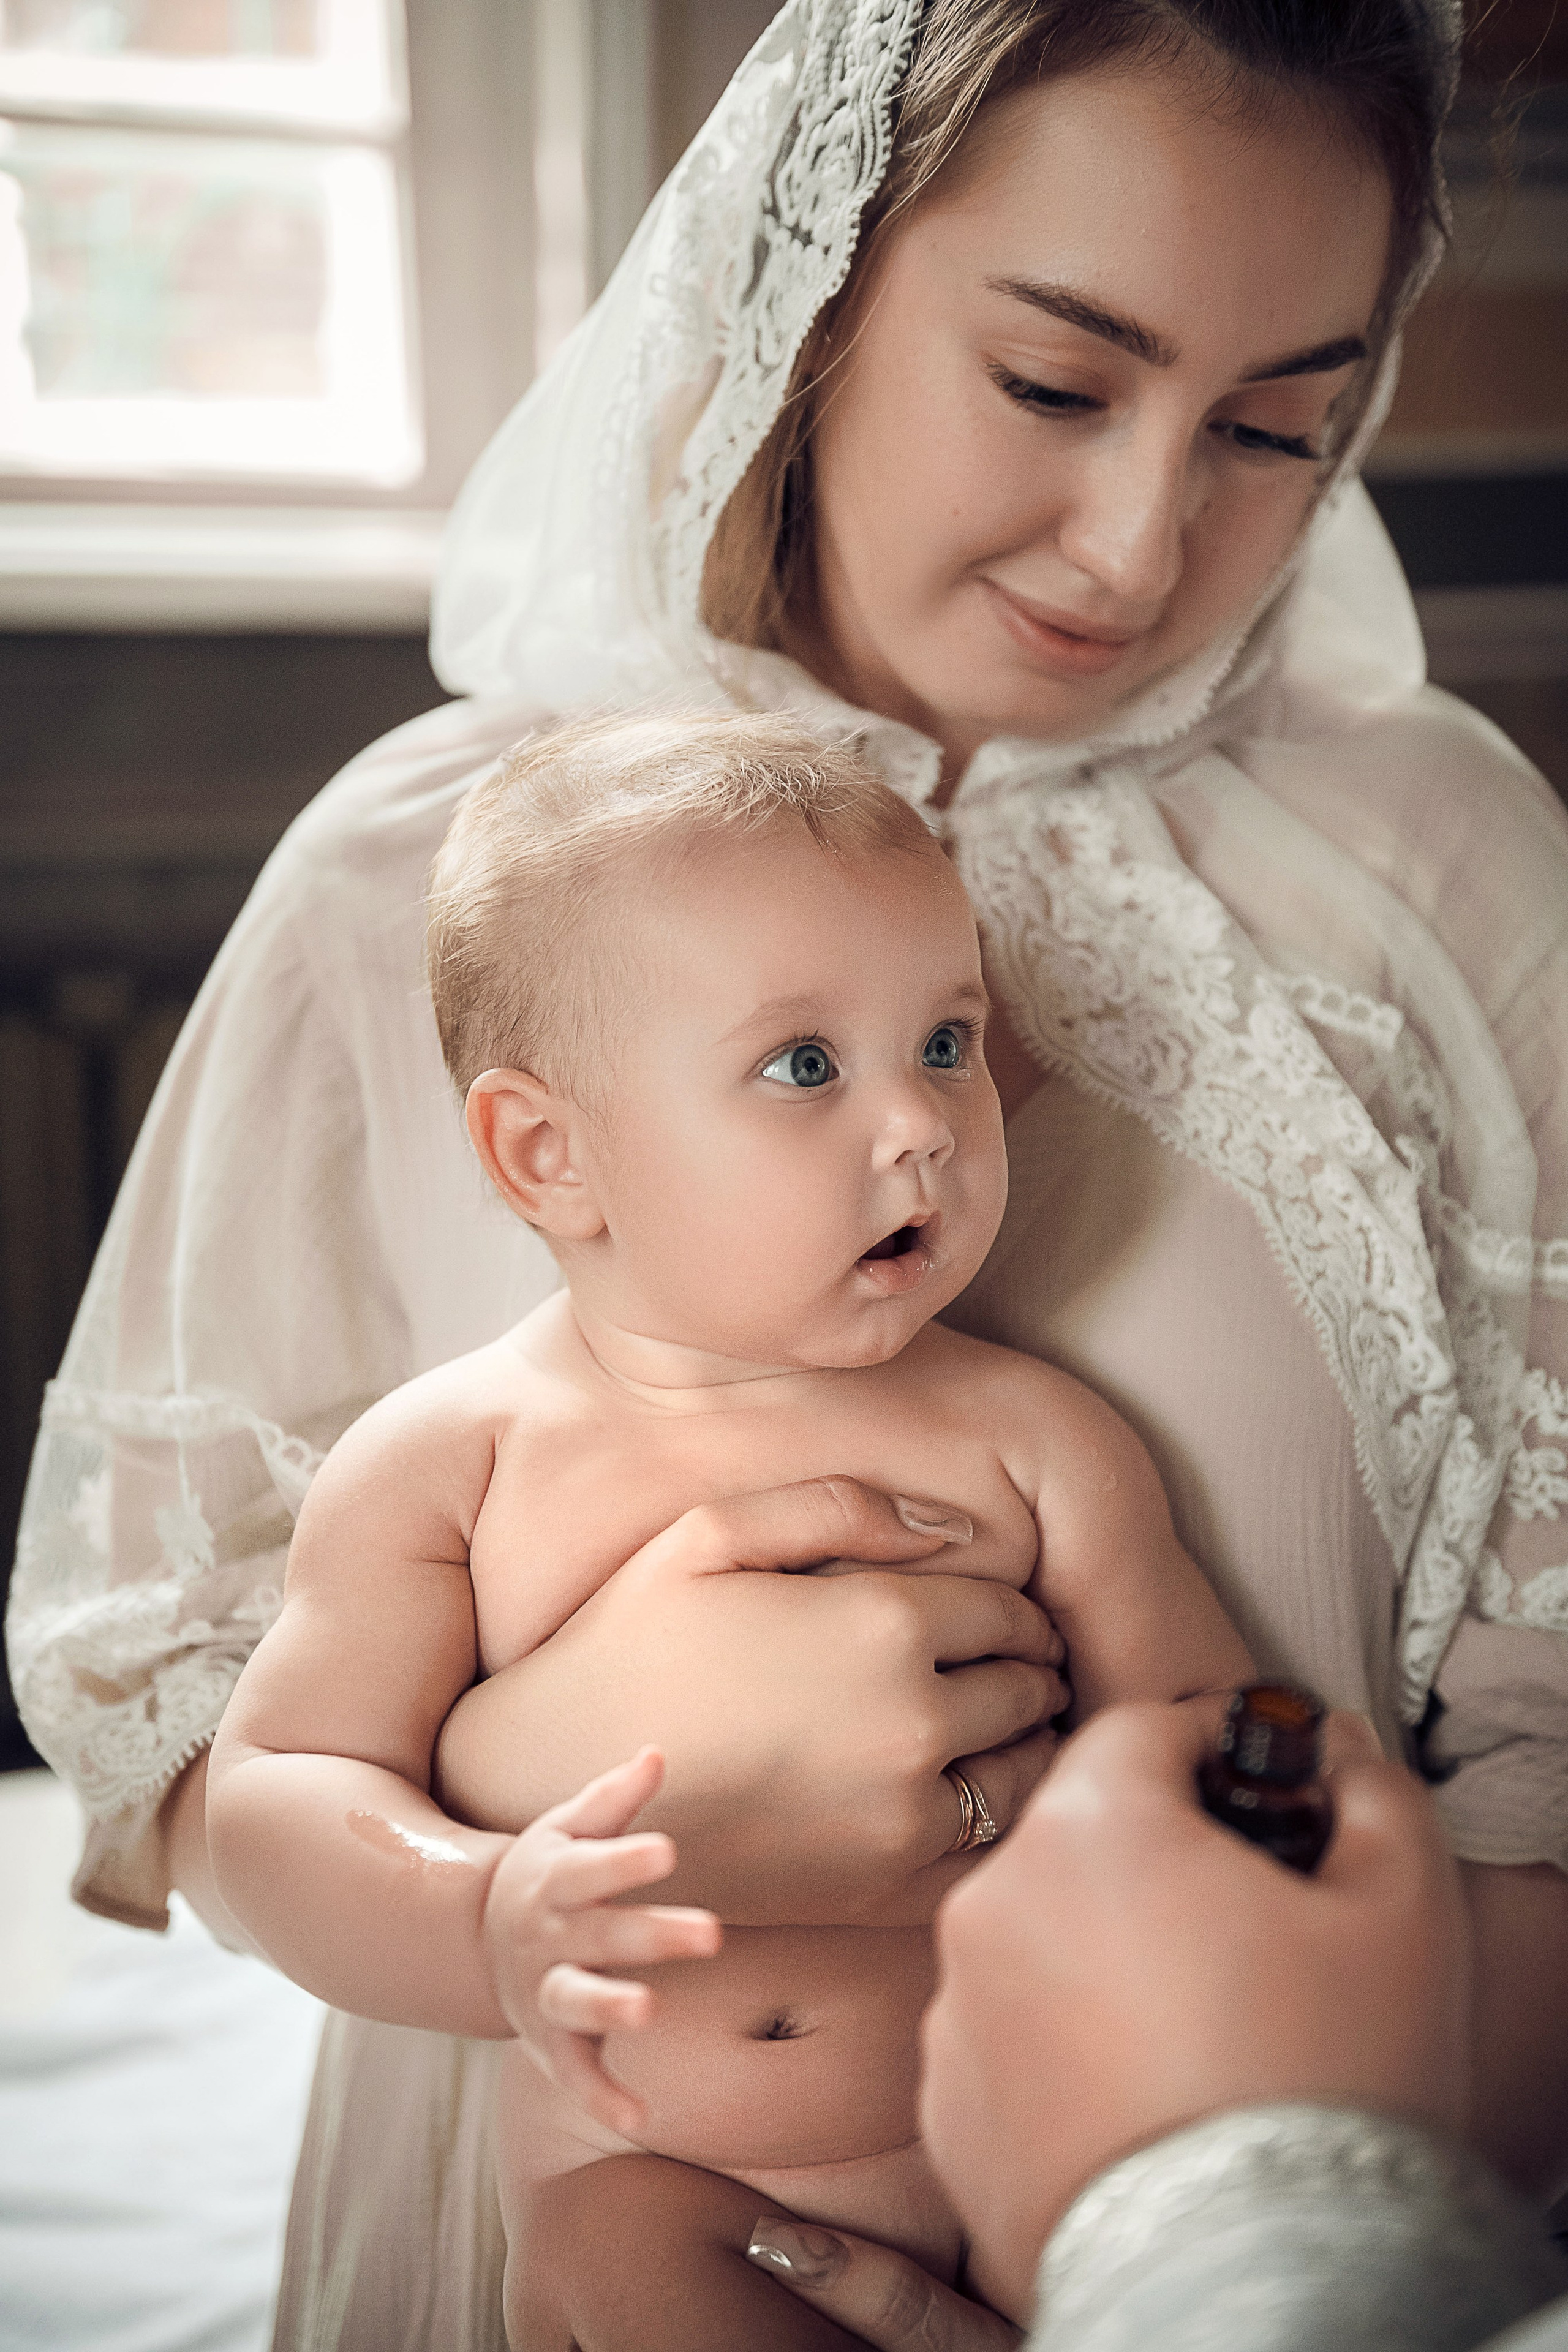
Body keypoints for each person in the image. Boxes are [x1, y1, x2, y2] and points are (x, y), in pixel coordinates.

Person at [7, 1, 1566, 2343]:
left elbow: (1515, 1788)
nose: (1143, 539)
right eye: (1053, 381)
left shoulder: (1454, 873)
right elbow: (182, 1741)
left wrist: (1211, 2250)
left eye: (1275, 426)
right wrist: (561, 1782)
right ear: (813, 291)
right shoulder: (415, 881)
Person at [203, 706, 1254, 2346]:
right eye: (805, 1066)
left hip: (1035, 2129)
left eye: (947, 1043)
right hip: (661, 2182)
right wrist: (477, 1915)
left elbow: (1194, 1724)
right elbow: (283, 1792)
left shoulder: (1035, 1437)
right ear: (549, 1155)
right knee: (624, 2260)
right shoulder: (458, 1462)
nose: (922, 1123)